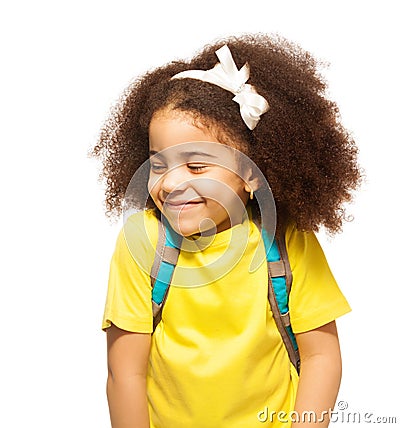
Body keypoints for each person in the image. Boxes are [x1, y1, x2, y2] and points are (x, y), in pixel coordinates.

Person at [91, 33, 361, 428]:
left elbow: (321, 357)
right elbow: (124, 373)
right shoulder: (144, 241)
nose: (170, 184)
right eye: (159, 165)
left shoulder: (285, 240)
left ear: (251, 176)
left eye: (197, 166)